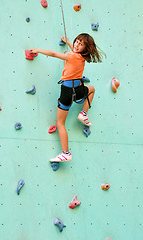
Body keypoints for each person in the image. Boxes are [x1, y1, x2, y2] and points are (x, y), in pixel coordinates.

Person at [30, 33, 105, 162]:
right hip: (79, 90)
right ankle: (83, 113)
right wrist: (69, 42)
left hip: (67, 92)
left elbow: (54, 54)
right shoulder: (82, 57)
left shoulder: (71, 56)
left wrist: (38, 50)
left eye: (81, 44)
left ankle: (66, 153)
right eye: (77, 41)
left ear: (85, 49)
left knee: (60, 123)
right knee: (91, 89)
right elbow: (74, 53)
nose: (77, 45)